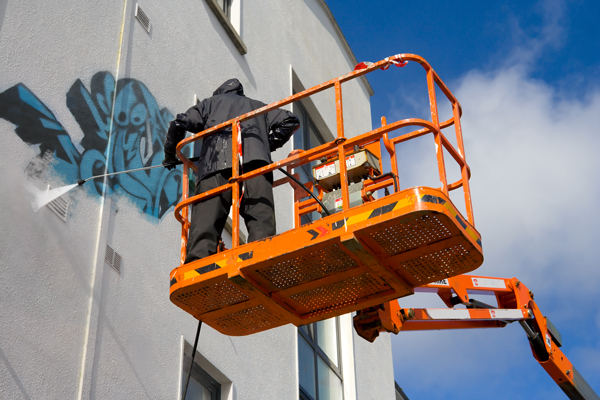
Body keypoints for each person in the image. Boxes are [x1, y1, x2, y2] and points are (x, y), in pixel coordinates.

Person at [163, 78, 299, 264]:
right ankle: (261, 259)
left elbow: (179, 124)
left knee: (206, 222)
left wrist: (170, 156)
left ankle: (198, 265)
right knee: (260, 219)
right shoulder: (258, 107)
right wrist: (263, 145)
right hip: (255, 164)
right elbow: (291, 120)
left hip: (214, 164)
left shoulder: (211, 104)